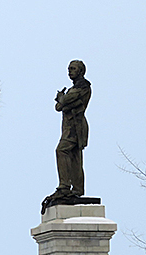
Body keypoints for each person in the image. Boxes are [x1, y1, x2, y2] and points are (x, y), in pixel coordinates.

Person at [44, 60, 91, 204]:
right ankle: (77, 188)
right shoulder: (74, 88)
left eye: (73, 68)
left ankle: (65, 186)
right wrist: (63, 102)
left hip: (75, 127)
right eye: (68, 69)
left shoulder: (83, 87)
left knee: (62, 151)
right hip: (70, 126)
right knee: (75, 156)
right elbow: (61, 106)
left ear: (81, 71)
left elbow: (63, 102)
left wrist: (62, 99)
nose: (69, 71)